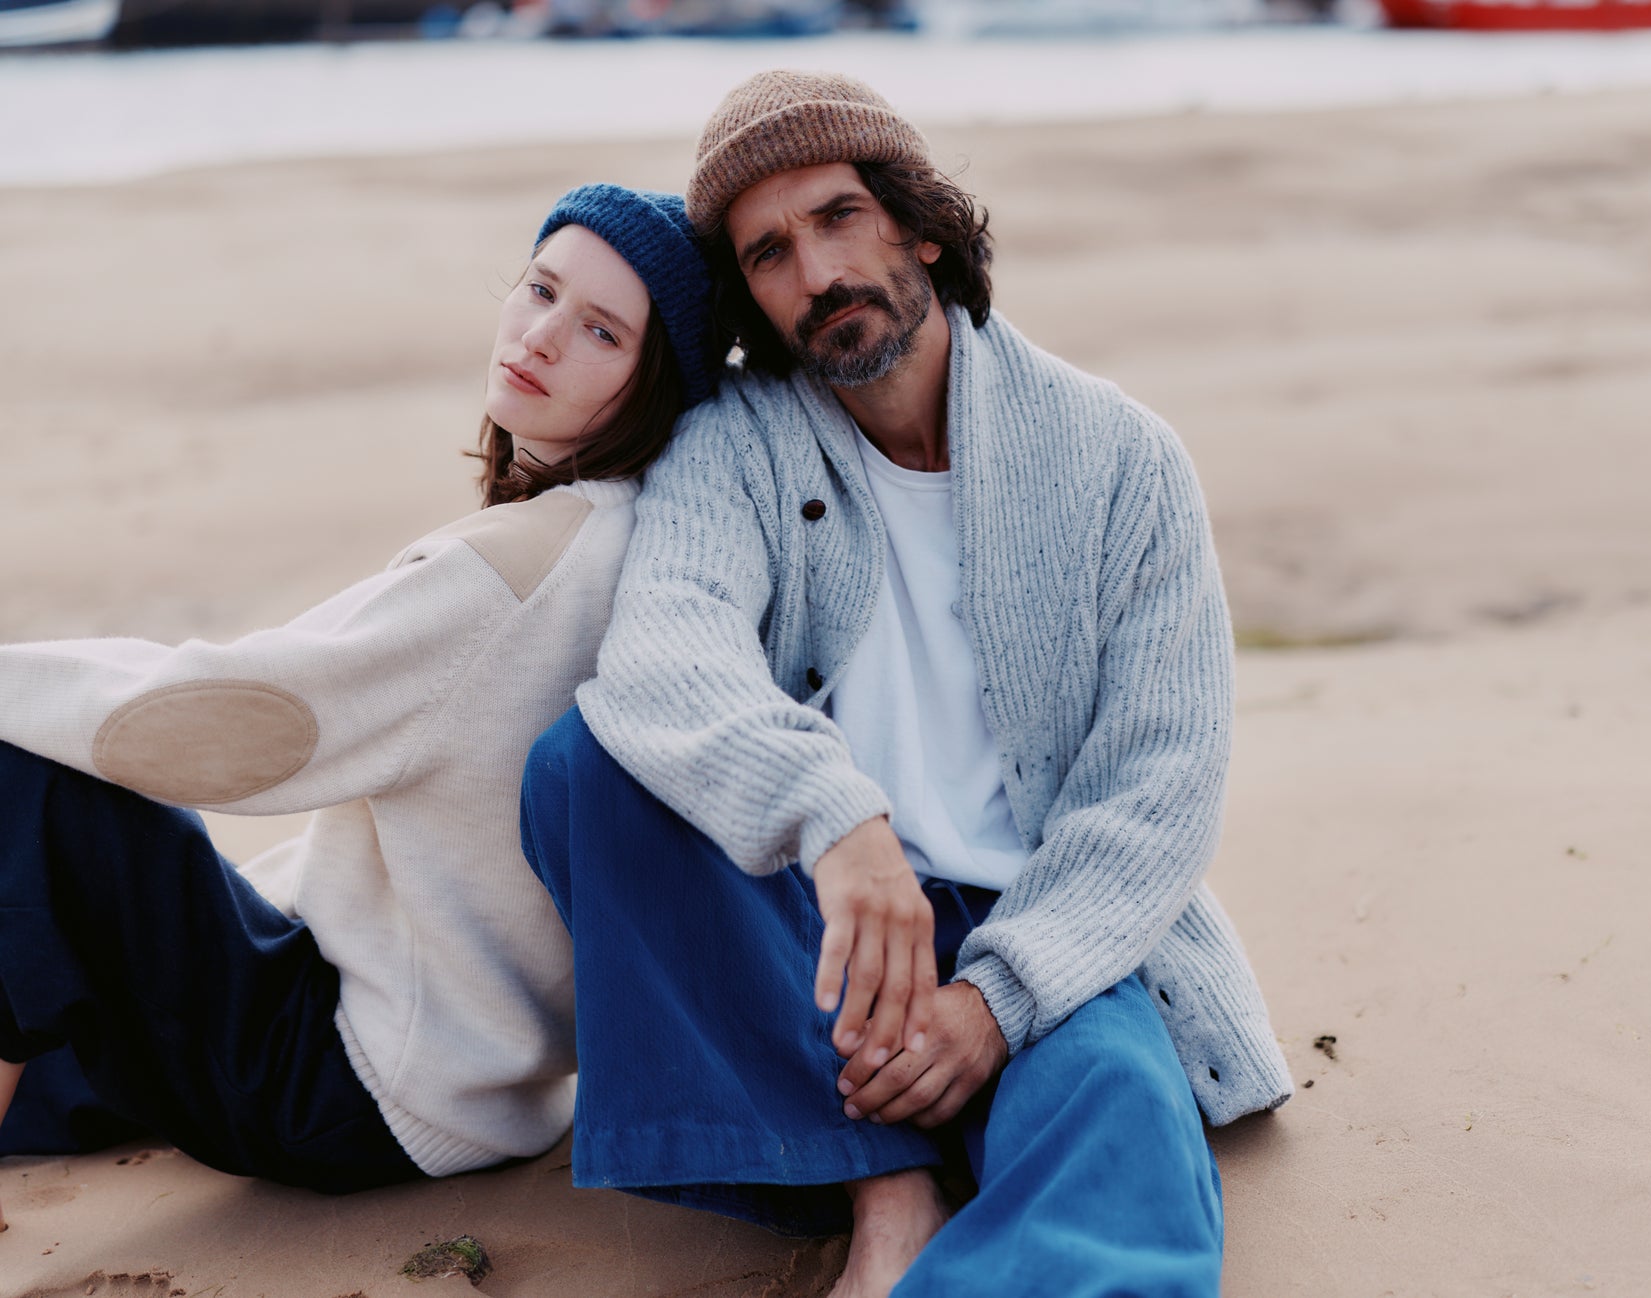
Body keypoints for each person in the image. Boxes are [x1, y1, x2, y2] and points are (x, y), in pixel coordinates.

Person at [520, 72, 1293, 1296]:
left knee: (1120, 1141)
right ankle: (885, 1183)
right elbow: (667, 647)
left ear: (920, 225)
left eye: (839, 216)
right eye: (769, 253)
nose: (816, 271)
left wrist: (993, 1000)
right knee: (583, 765)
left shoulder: (1121, 458)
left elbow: (1159, 785)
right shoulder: (734, 444)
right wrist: (835, 816)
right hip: (816, 925)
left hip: (1044, 926)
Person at [0, 185, 717, 1232]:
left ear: (654, 385)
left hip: (347, 1089)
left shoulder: (504, 576)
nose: (541, 336)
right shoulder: (641, 539)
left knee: (26, 785)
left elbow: (231, 717)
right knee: (68, 1035)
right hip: (483, 1085)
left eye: (602, 331)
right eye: (540, 289)